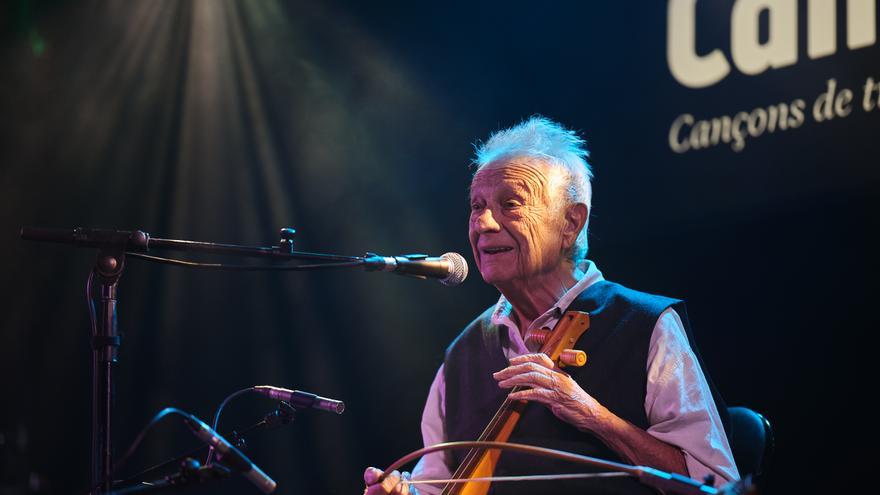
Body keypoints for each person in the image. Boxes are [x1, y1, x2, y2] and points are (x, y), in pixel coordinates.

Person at [364, 116, 739, 495]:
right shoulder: (461, 354)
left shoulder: (644, 325)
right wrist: (402, 493)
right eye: (477, 206)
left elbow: (714, 486)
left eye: (510, 204)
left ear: (571, 224)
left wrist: (592, 415)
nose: (484, 223)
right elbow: (435, 484)